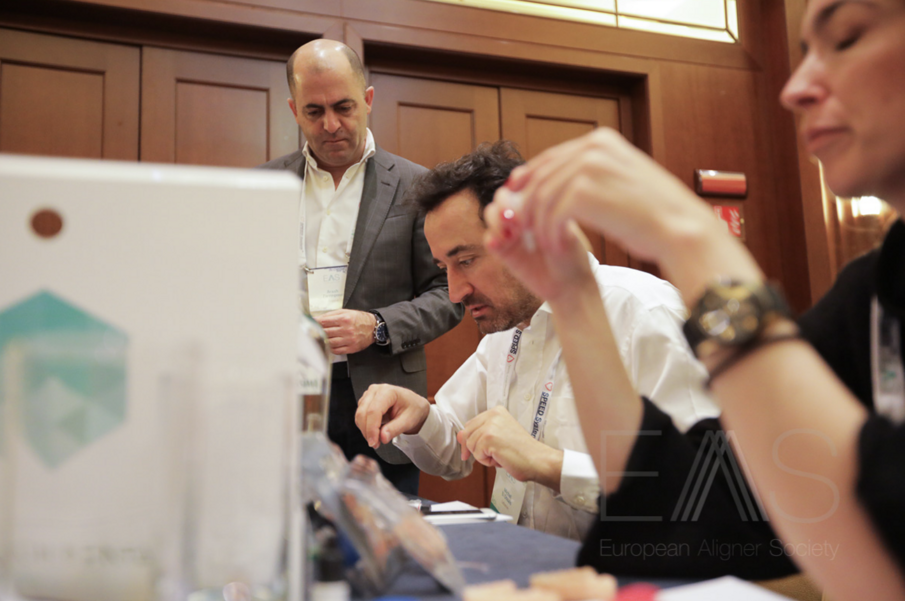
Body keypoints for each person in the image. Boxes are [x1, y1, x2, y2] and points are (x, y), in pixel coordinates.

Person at [483, 0, 905, 598]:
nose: (797, 88)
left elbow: (881, 554)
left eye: (847, 37)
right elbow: (691, 492)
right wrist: (572, 294)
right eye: (804, 51)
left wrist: (692, 240)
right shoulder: (875, 289)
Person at [354, 141, 719, 540]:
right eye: (444, 267)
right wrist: (419, 416)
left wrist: (550, 465)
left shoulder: (643, 313)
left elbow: (700, 487)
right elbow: (452, 448)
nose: (455, 292)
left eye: (466, 261)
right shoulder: (506, 327)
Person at [259, 40, 463, 495]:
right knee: (291, 540)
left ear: (368, 99)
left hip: (380, 398)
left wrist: (378, 325)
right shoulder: (263, 186)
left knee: (386, 548)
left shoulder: (417, 186)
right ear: (294, 110)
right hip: (285, 396)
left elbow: (448, 293)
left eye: (343, 107)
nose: (331, 125)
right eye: (314, 111)